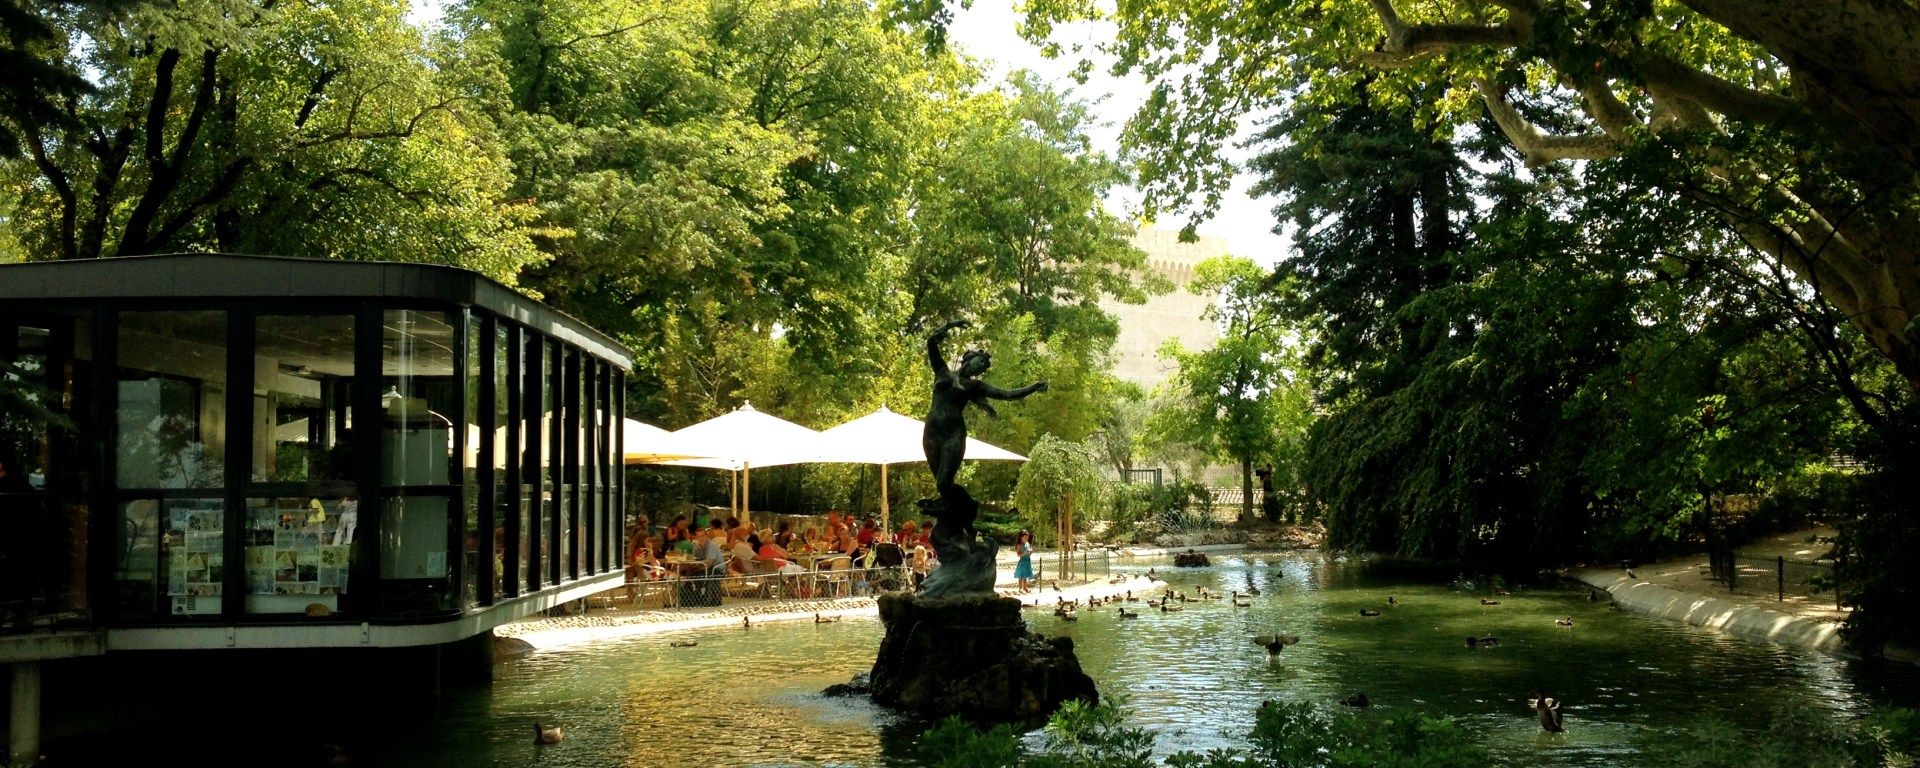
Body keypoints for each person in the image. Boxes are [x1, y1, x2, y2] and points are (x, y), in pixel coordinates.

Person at [921, 319, 1046, 539]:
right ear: (968, 359)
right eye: (979, 363)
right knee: (942, 487)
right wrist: (951, 325)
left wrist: (1033, 387)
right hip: (932, 432)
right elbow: (931, 342)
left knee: (944, 482)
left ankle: (968, 508)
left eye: (982, 368)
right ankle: (961, 523)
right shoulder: (942, 370)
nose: (979, 368)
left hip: (953, 435)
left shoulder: (974, 386)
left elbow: (1008, 394)